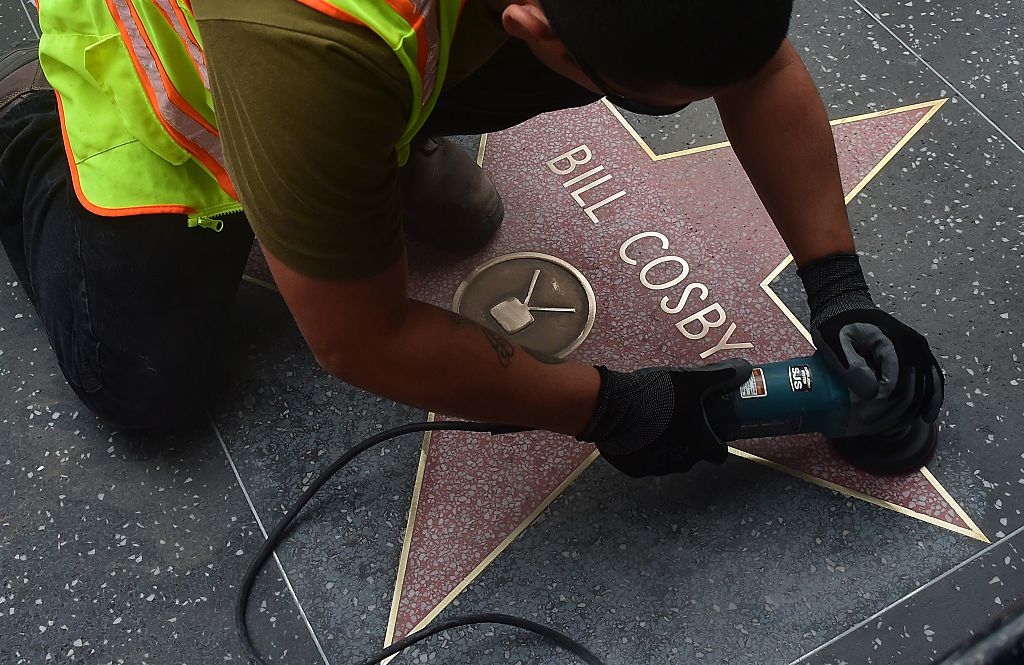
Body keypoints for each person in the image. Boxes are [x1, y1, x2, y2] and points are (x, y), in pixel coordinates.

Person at [0, 0, 942, 477]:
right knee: (145, 381)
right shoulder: (312, 50)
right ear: (529, 23)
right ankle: (25, 133)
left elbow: (749, 57)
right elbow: (361, 339)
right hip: (170, 57)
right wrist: (625, 408)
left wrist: (839, 286)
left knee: (632, 58)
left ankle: (352, 152)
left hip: (349, 65)